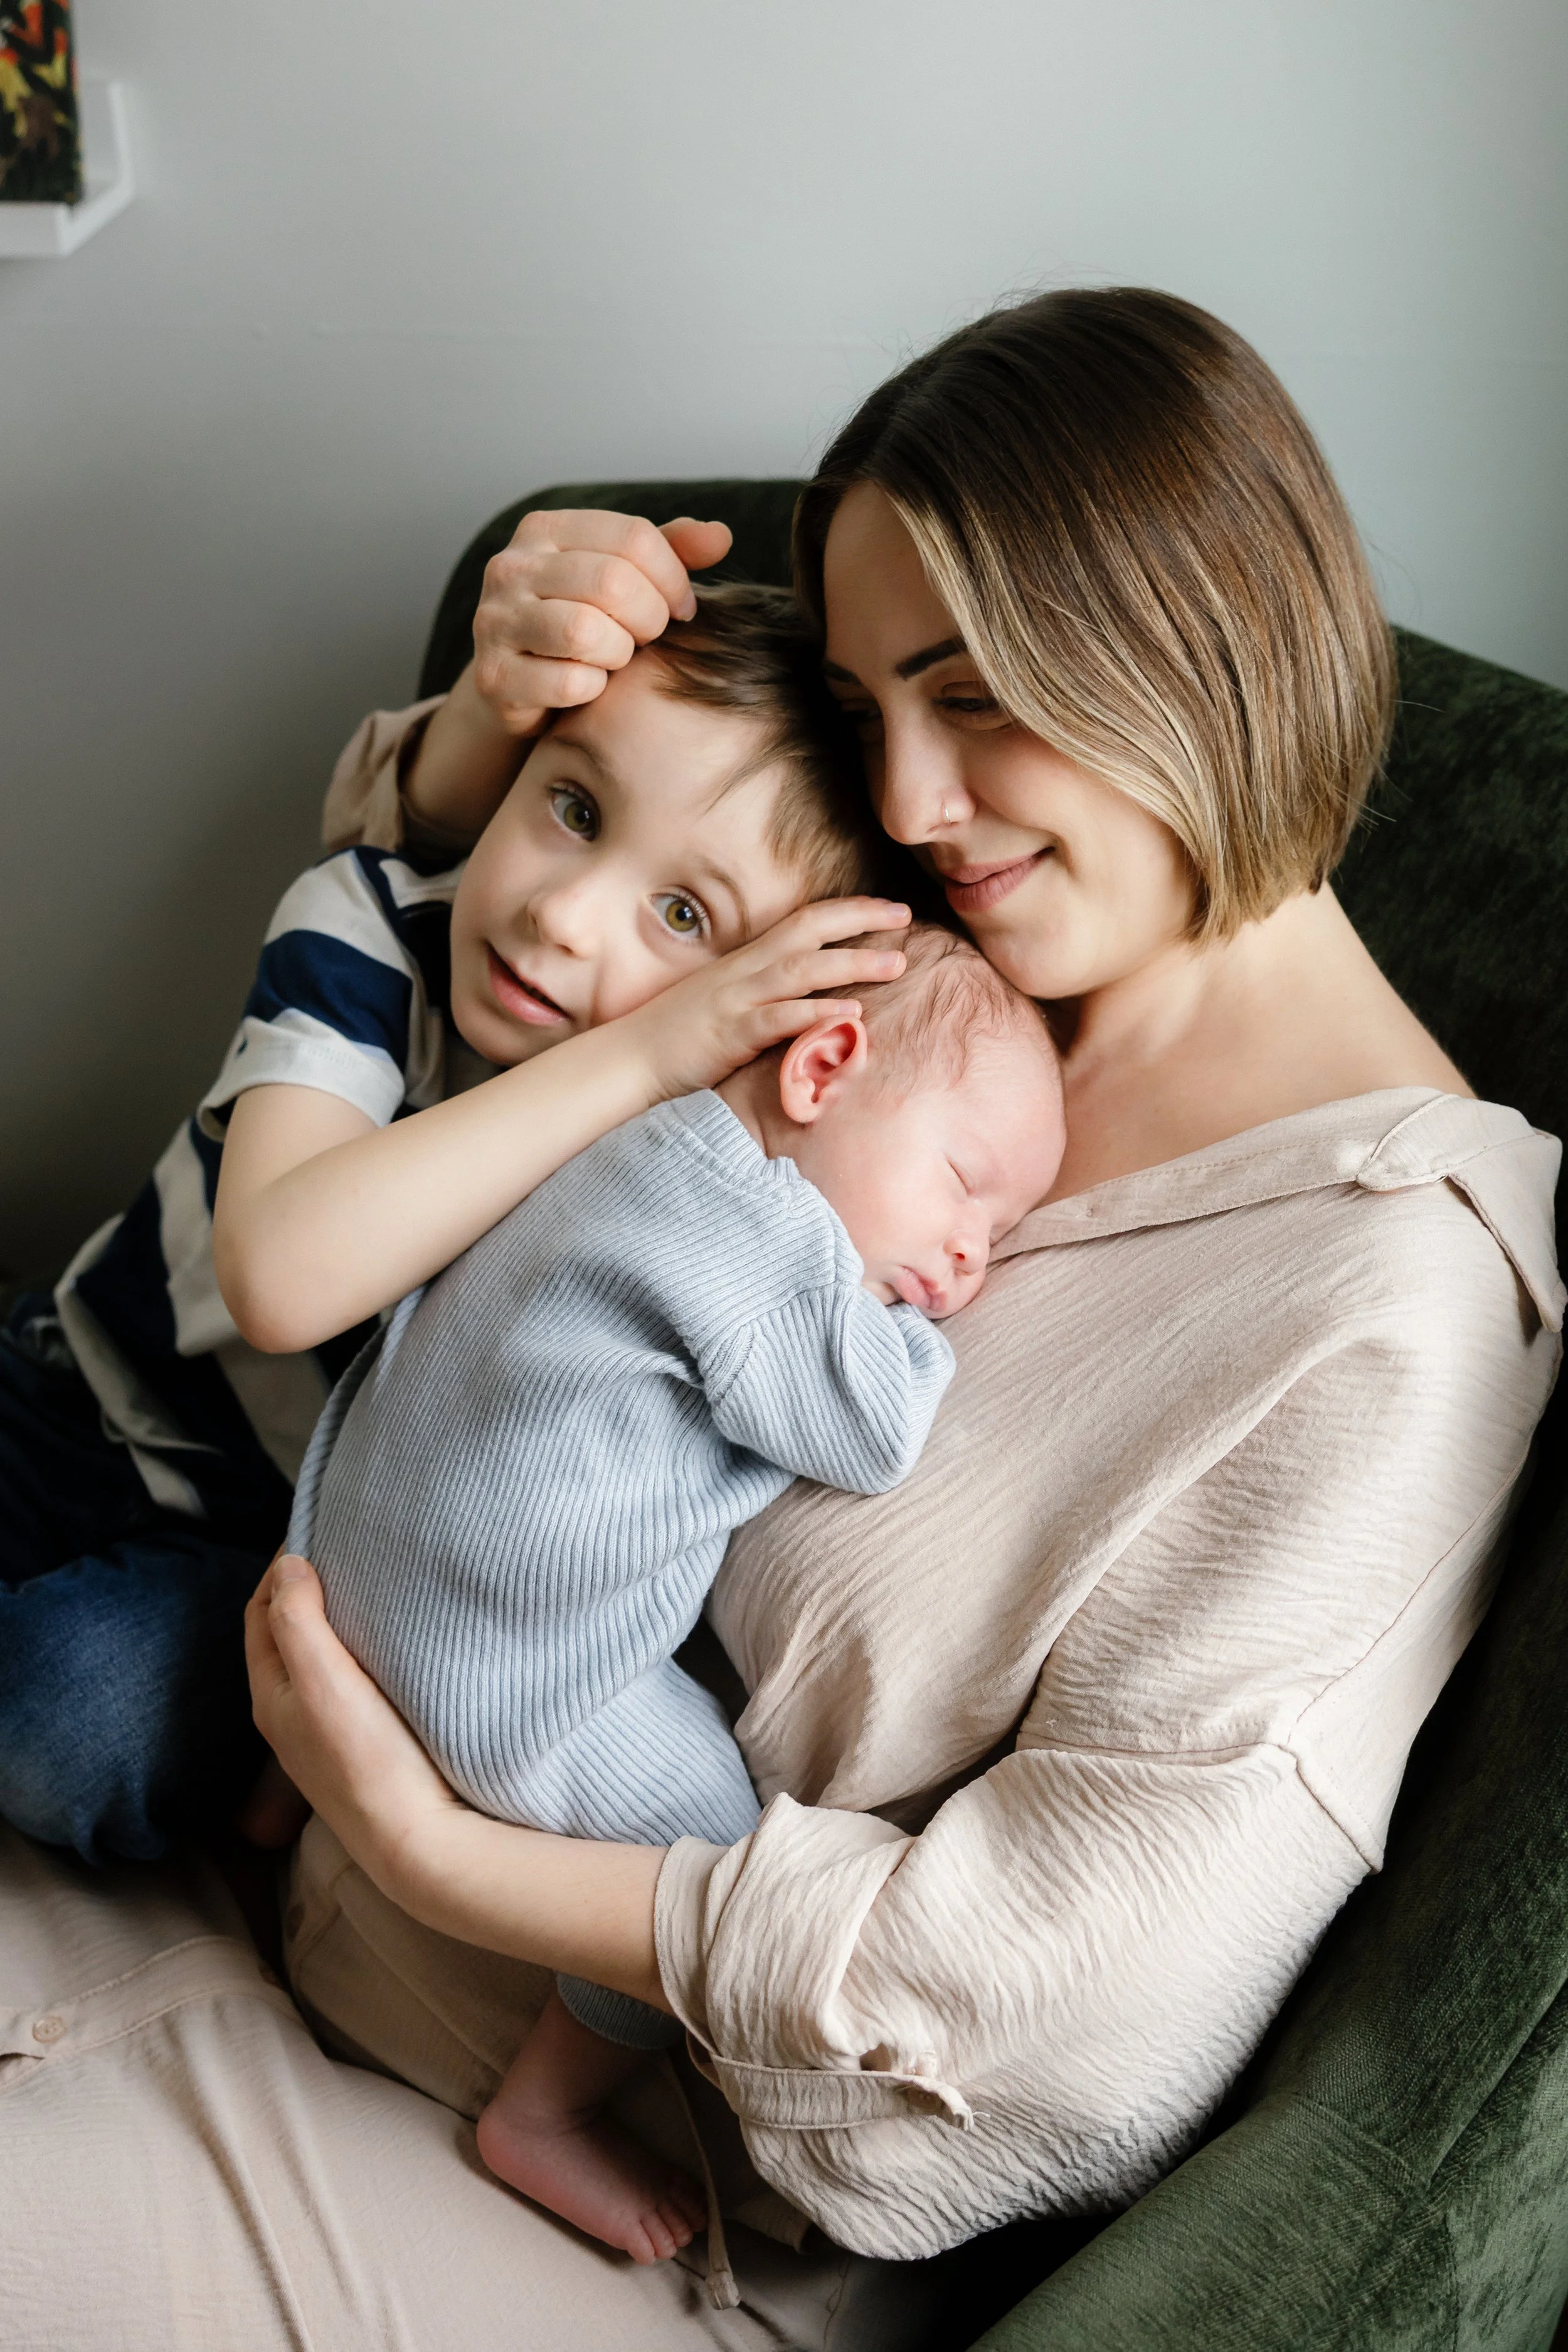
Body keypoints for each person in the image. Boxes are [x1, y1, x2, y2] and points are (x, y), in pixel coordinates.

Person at [3, 287, 1560, 2350]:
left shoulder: (1390, 1308)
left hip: (636, 2181)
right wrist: (496, 697)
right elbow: (487, 912)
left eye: (974, 691)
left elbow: (1050, 2022)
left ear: (1199, 649)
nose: (911, 797)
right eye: (866, 704)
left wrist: (432, 1849)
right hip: (262, 1820)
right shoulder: (971, 953)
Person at [0, 585, 910, 1864]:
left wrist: (665, 1076)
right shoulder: (371, 925)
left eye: (685, 916)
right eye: (575, 810)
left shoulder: (675, 1174)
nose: (561, 914)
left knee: (71, 1711)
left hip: (277, 1577)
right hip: (77, 1393)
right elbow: (278, 1272)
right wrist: (648, 1046)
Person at [289, 919, 1062, 2265]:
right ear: (820, 1067)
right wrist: (918, 1344)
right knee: (702, 1880)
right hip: (501, 1664)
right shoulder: (766, 1250)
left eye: (998, 1237)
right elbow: (873, 1434)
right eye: (962, 1188)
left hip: (335, 1546)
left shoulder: (640, 1131)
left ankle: (272, 1784)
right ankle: (540, 2115)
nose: (968, 1260)